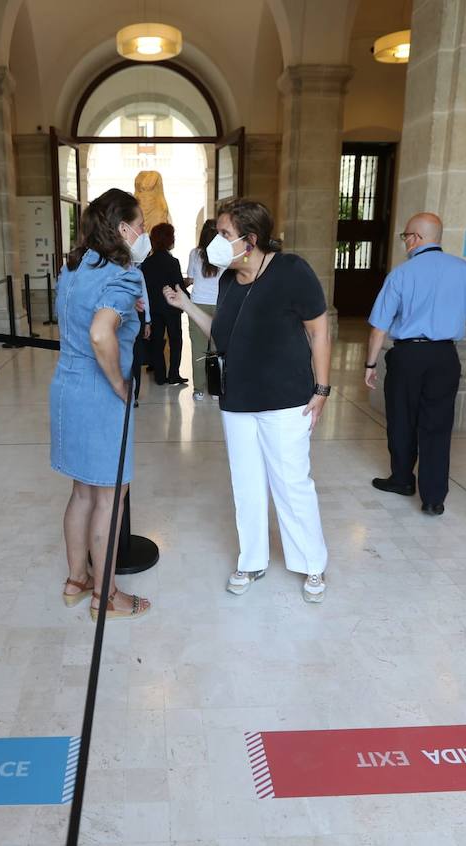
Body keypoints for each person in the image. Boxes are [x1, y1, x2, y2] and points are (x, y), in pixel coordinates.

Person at [162, 198, 332, 604]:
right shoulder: (225, 280)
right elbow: (222, 334)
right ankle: (251, 559)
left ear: (250, 240)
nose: (215, 243)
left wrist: (322, 388)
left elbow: (319, 331)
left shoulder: (292, 271)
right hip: (237, 399)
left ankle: (311, 564)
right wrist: (185, 304)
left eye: (223, 234)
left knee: (291, 483)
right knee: (246, 483)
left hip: (286, 398)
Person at [50, 188, 152, 619]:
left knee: (81, 493)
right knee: (111, 497)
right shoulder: (121, 274)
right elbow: (99, 333)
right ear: (124, 228)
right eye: (141, 225)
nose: (144, 232)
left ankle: (77, 579)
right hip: (99, 393)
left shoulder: (73, 266)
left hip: (66, 387)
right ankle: (105, 596)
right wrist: (119, 384)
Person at [363, 212, 466, 516]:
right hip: (445, 356)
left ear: (415, 238)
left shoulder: (402, 274)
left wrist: (370, 364)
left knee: (402, 418)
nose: (405, 243)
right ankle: (433, 498)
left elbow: (379, 326)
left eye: (406, 236)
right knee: (438, 425)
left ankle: (403, 479)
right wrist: (447, 320)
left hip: (409, 356)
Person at [141, 223, 186, 386]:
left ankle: (160, 376)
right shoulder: (173, 262)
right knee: (175, 340)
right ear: (168, 240)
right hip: (172, 308)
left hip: (153, 308)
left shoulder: (146, 264)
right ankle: (174, 374)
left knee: (157, 341)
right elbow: (178, 286)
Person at [185, 219, 221, 402]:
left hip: (197, 304)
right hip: (219, 304)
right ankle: (215, 389)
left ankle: (199, 390)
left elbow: (190, 279)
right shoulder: (224, 254)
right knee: (216, 348)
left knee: (198, 349)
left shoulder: (195, 253)